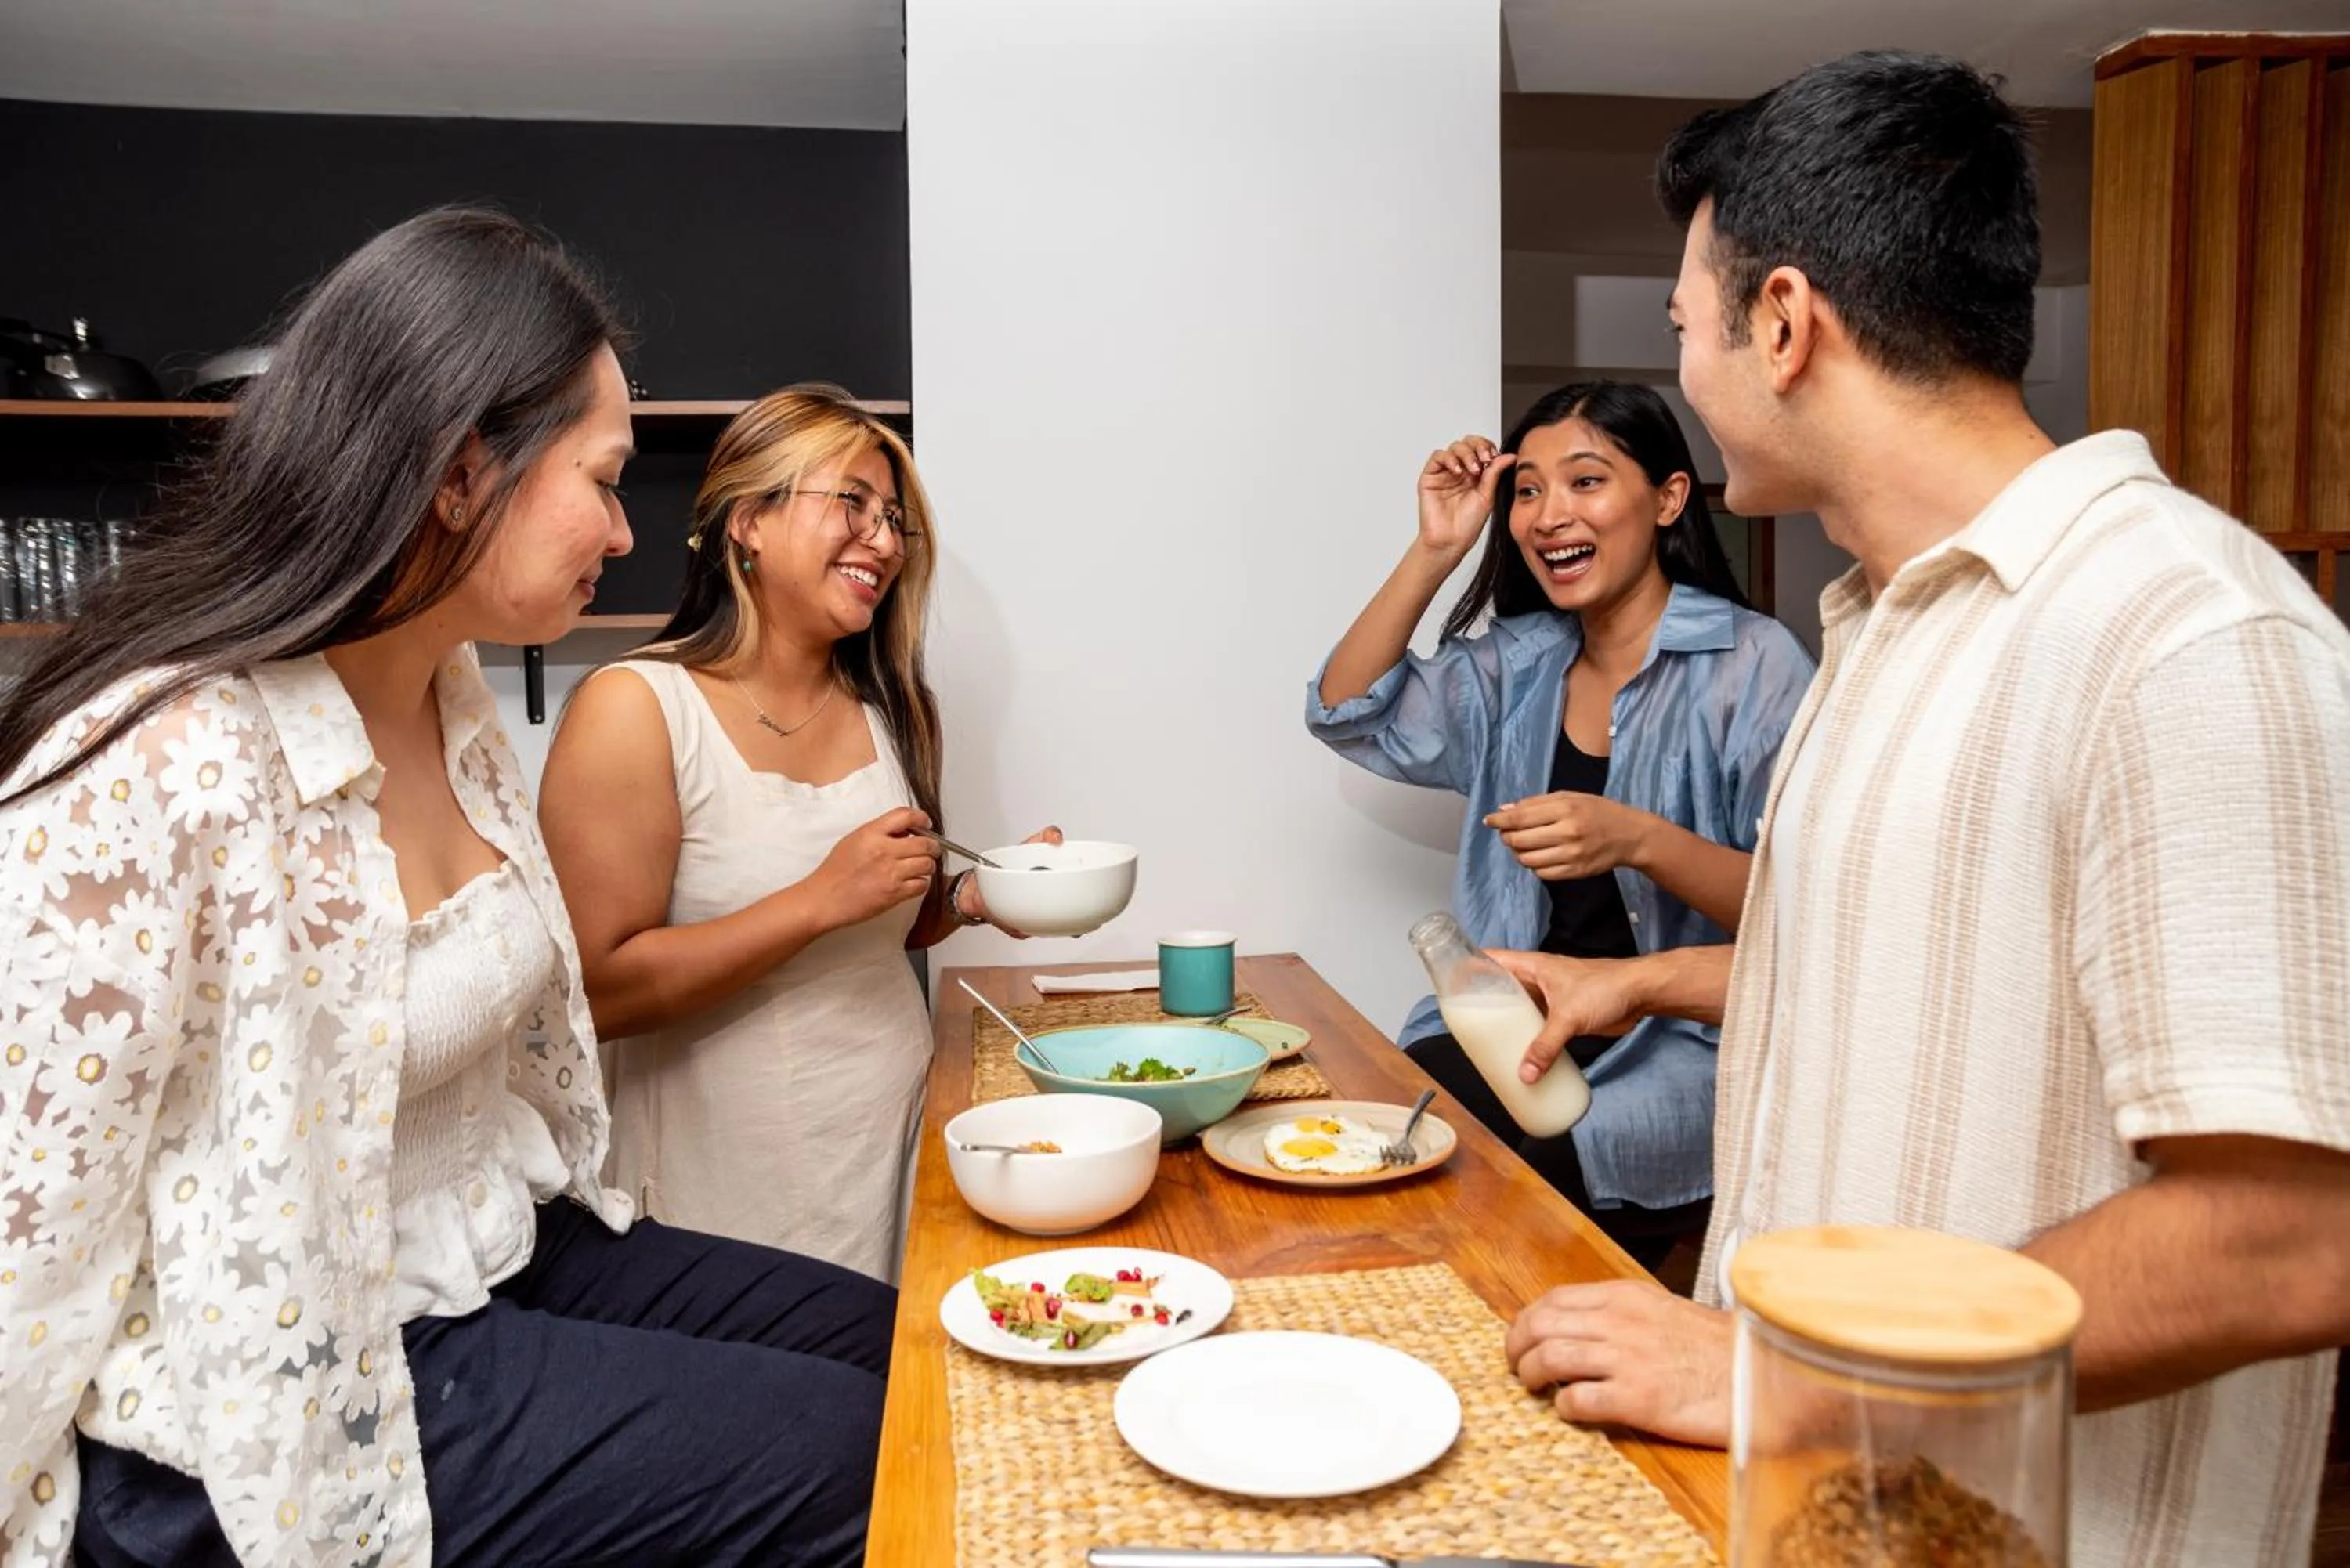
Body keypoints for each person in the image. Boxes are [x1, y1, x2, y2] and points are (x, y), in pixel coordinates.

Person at [1493, 52, 2350, 1568]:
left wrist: (1773, 1371)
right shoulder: (1880, 630)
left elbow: (2290, 1234)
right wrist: (1640, 977)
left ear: (1783, 320)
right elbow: (1926, 977)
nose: (1686, 375)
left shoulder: (2184, 633)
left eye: (1686, 326)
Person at [0, 208, 891, 1568]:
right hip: (288, 1371)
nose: (620, 526)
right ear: (460, 471)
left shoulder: (456, 710)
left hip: (492, 1250)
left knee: (899, 1344)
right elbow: (28, 1227)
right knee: (846, 1454)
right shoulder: (156, 763)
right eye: (599, 479)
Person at [538, 386, 1058, 1284]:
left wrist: (972, 897)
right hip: (721, 1205)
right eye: (852, 504)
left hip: (892, 1153)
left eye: (895, 519)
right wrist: (816, 900)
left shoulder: (891, 706)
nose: (886, 542)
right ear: (750, 519)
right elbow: (592, 997)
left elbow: (879, 921)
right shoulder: (637, 708)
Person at [1305, 380, 1813, 1266]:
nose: (1548, 515)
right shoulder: (1519, 664)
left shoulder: (1754, 664)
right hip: (1508, 1023)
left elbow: (1803, 916)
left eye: (1585, 481)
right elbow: (1348, 711)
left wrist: (1638, 839)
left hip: (1683, 1044)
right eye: (1528, 489)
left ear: (1667, 498)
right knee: (1380, 1146)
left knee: (1512, 1203)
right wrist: (1434, 552)